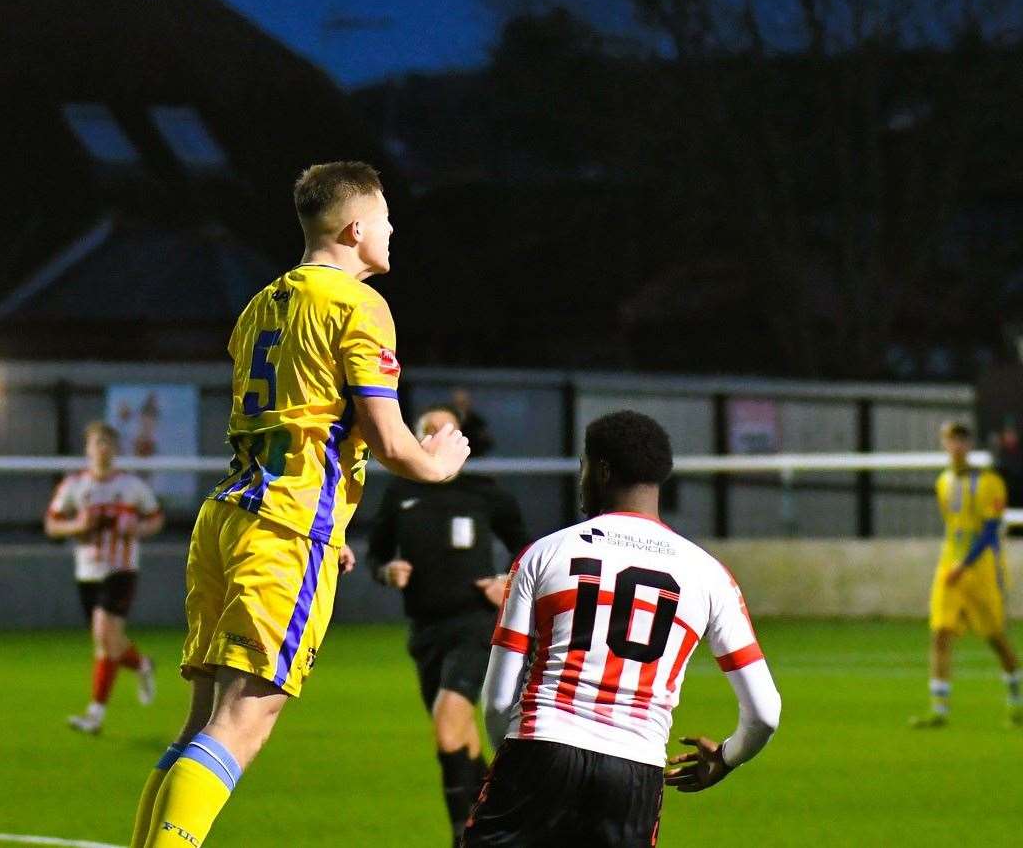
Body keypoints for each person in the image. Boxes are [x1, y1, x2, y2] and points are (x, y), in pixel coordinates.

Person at [128, 161, 470, 848]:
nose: (394, 230)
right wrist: (438, 463)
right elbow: (389, 437)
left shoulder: (261, 304)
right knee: (244, 718)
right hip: (284, 527)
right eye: (386, 219)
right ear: (355, 228)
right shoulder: (358, 305)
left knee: (203, 722)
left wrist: (334, 520)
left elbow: (296, 420)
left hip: (230, 515)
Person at [466, 410, 781, 848]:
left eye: (584, 466)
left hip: (541, 747)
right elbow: (765, 712)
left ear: (603, 470)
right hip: (634, 771)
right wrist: (727, 758)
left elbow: (499, 698)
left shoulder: (543, 554)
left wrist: (517, 759)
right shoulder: (710, 576)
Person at [368, 403, 530, 847]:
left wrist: (506, 581)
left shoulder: (483, 492)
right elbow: (377, 556)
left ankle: (464, 836)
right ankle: (498, 827)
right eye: (429, 430)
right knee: (461, 738)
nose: (437, 436)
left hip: (476, 626)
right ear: (417, 438)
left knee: (447, 725)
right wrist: (388, 571)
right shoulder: (400, 494)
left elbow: (529, 552)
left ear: (461, 441)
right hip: (425, 631)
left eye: (447, 430)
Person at [45, 421, 164, 735]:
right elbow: (52, 525)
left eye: (108, 443)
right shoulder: (74, 486)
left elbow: (155, 519)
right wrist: (77, 528)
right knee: (107, 642)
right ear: (88, 449)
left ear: (116, 449)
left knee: (104, 635)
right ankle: (142, 665)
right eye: (97, 443)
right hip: (87, 571)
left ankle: (94, 715)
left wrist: (136, 530)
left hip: (121, 569)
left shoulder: (132, 486)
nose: (103, 448)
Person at [911, 420, 1021, 728]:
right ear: (944, 444)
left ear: (969, 445)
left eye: (961, 440)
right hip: (949, 567)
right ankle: (939, 709)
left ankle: (1016, 701)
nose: (956, 446)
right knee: (940, 633)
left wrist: (967, 562)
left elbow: (989, 529)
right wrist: (954, 562)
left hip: (982, 570)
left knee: (995, 637)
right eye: (950, 440)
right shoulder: (943, 482)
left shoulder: (988, 482)